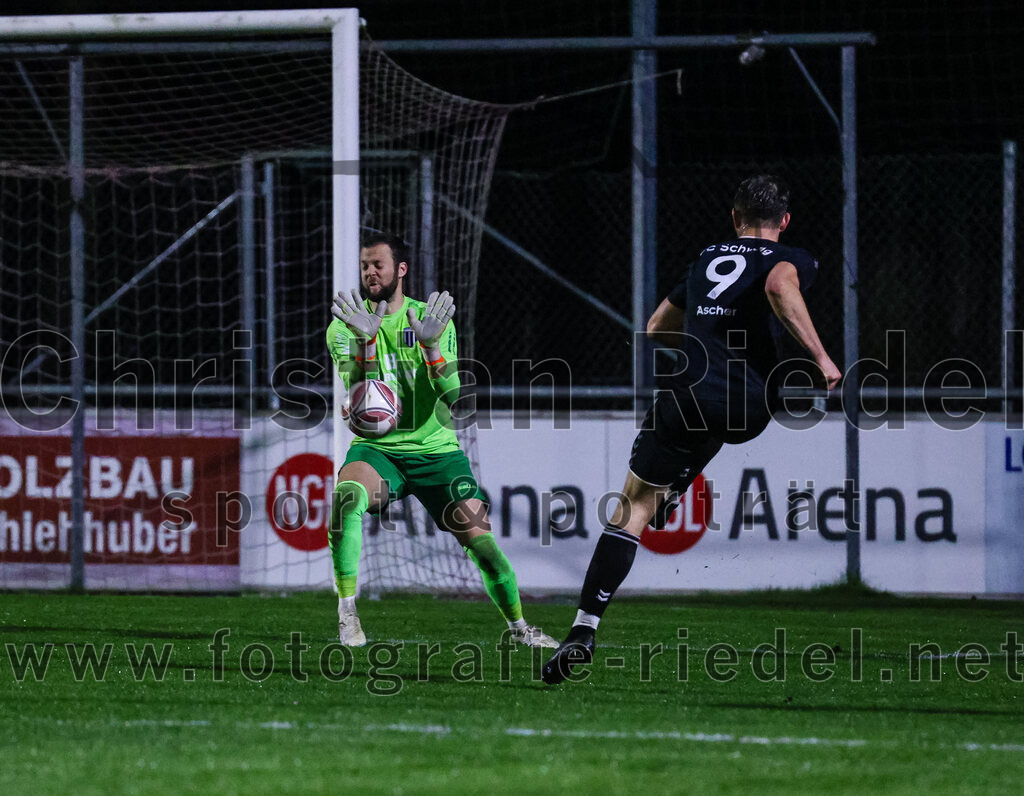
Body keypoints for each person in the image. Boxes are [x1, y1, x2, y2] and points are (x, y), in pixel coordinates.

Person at [542, 175, 842, 684]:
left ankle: (583, 630)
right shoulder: (793, 255)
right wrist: (820, 358)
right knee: (716, 418)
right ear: (784, 221)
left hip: (689, 398)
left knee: (631, 509)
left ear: (734, 217)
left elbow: (657, 327)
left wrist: (707, 332)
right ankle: (678, 481)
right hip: (753, 406)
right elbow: (778, 284)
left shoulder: (706, 260)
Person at [326, 232, 558, 649]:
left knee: (484, 548)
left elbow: (456, 400)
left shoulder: (430, 320)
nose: (369, 272)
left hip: (437, 453)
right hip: (381, 451)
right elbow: (364, 402)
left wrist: (432, 346)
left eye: (378, 264)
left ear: (401, 269)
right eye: (364, 265)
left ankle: (520, 628)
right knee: (346, 501)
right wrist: (365, 342)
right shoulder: (346, 325)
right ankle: (348, 614)